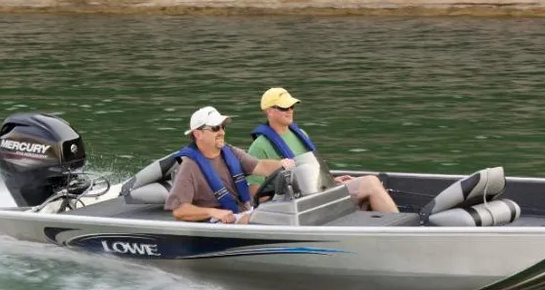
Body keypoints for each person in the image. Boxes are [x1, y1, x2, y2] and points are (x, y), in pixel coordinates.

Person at [247, 87, 399, 213]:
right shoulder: (259, 147)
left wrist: (331, 181)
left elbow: (312, 171)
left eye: (292, 106)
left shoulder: (301, 134)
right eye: (283, 108)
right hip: (297, 205)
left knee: (372, 181)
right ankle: (401, 233)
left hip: (318, 193)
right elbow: (256, 195)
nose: (290, 111)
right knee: (370, 183)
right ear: (269, 111)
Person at [165, 106, 294, 224]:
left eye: (223, 127)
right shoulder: (189, 166)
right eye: (215, 128)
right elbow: (179, 211)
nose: (221, 132)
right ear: (198, 134)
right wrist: (213, 212)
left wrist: (283, 164)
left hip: (243, 213)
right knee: (267, 218)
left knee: (283, 211)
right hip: (216, 223)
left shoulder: (231, 152)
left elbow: (260, 166)